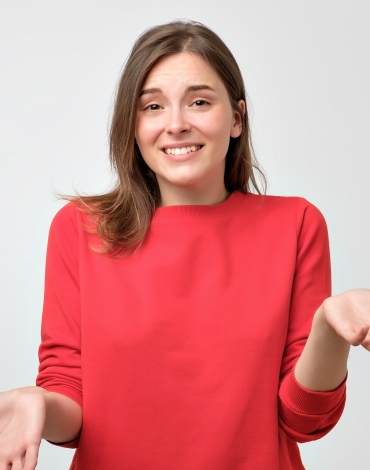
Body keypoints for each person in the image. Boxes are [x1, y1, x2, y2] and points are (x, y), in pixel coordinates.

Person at [0, 20, 369, 470]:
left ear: (236, 118)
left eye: (198, 101)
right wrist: (36, 404)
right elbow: (72, 407)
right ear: (132, 127)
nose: (175, 124)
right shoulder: (79, 228)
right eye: (152, 106)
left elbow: (302, 420)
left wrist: (329, 328)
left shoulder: (296, 224)